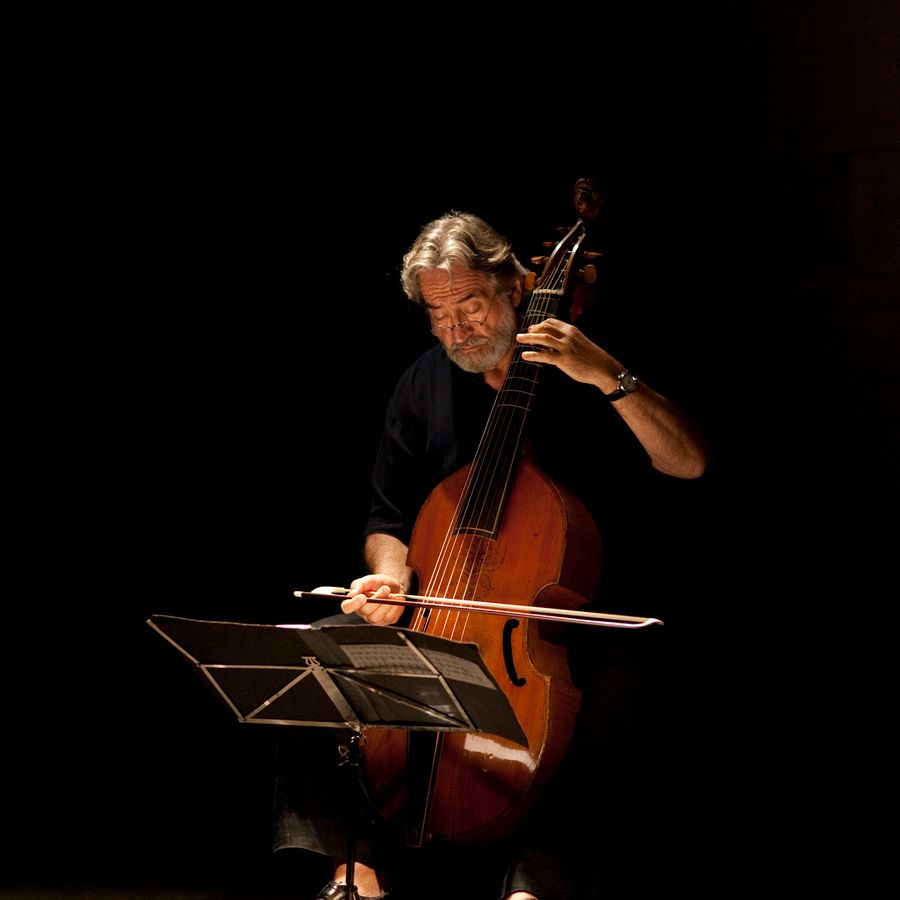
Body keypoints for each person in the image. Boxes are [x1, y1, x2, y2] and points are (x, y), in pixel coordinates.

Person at [273, 205, 710, 900]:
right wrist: (388, 580)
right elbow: (389, 516)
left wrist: (607, 376)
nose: (456, 330)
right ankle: (351, 869)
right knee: (311, 657)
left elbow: (687, 463)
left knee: (622, 684)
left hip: (568, 620)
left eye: (469, 306)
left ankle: (538, 878)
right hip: (444, 605)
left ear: (513, 287)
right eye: (438, 317)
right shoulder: (423, 382)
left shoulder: (587, 361)